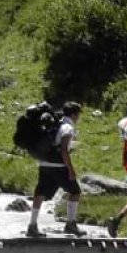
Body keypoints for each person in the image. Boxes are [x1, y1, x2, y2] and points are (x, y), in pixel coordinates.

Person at [26, 101, 86, 238]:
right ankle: (71, 224)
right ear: (74, 114)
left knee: (39, 193)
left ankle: (32, 225)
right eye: (78, 114)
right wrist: (70, 169)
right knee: (75, 191)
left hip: (44, 164)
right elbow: (64, 150)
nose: (78, 117)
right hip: (59, 166)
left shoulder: (54, 124)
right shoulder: (67, 128)